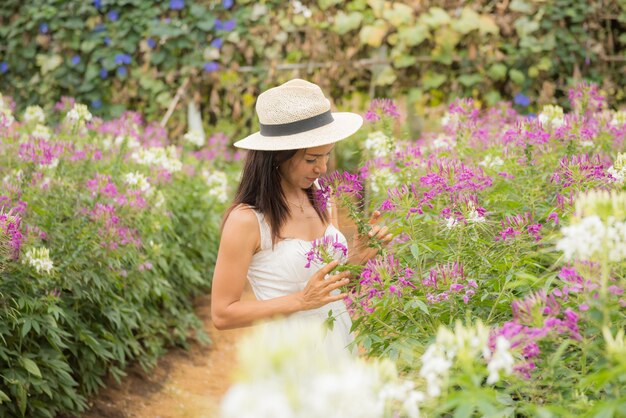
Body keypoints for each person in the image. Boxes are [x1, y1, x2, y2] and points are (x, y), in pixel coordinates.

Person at [210, 79, 391, 352]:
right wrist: (301, 301)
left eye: (327, 155)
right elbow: (222, 314)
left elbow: (330, 290)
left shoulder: (322, 198)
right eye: (311, 159)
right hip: (289, 352)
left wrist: (358, 258)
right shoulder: (246, 220)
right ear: (277, 157)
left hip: (337, 341)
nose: (322, 167)